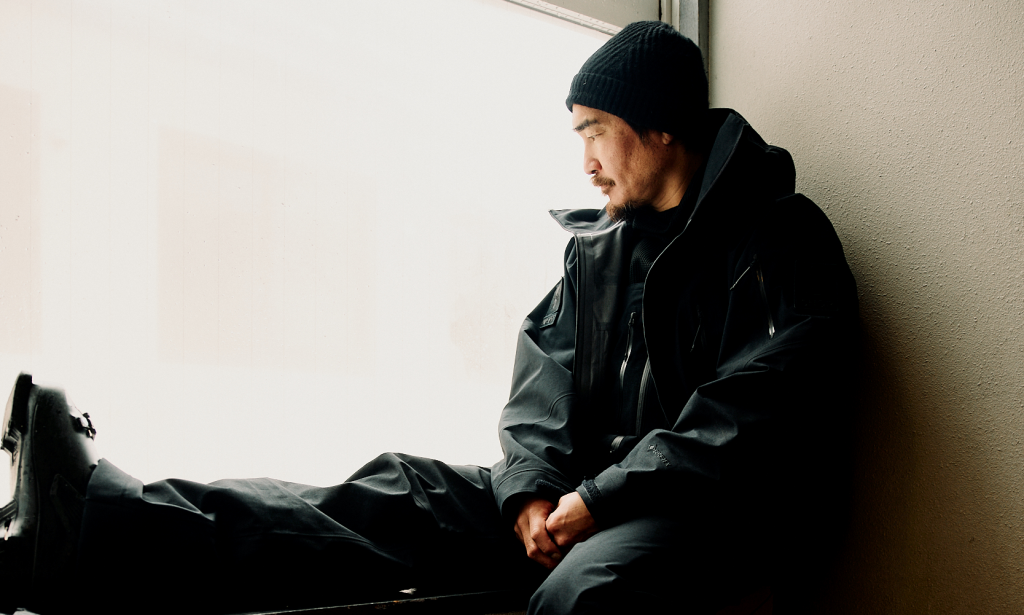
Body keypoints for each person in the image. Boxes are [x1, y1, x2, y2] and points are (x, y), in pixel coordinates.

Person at [0, 21, 858, 615]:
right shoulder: (598, 252)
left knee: (580, 596)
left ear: (661, 126)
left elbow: (754, 418)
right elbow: (541, 385)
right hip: (575, 498)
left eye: (595, 130)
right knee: (388, 494)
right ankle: (93, 521)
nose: (585, 160)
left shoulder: (778, 238)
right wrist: (528, 490)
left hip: (695, 519)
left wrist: (599, 499)